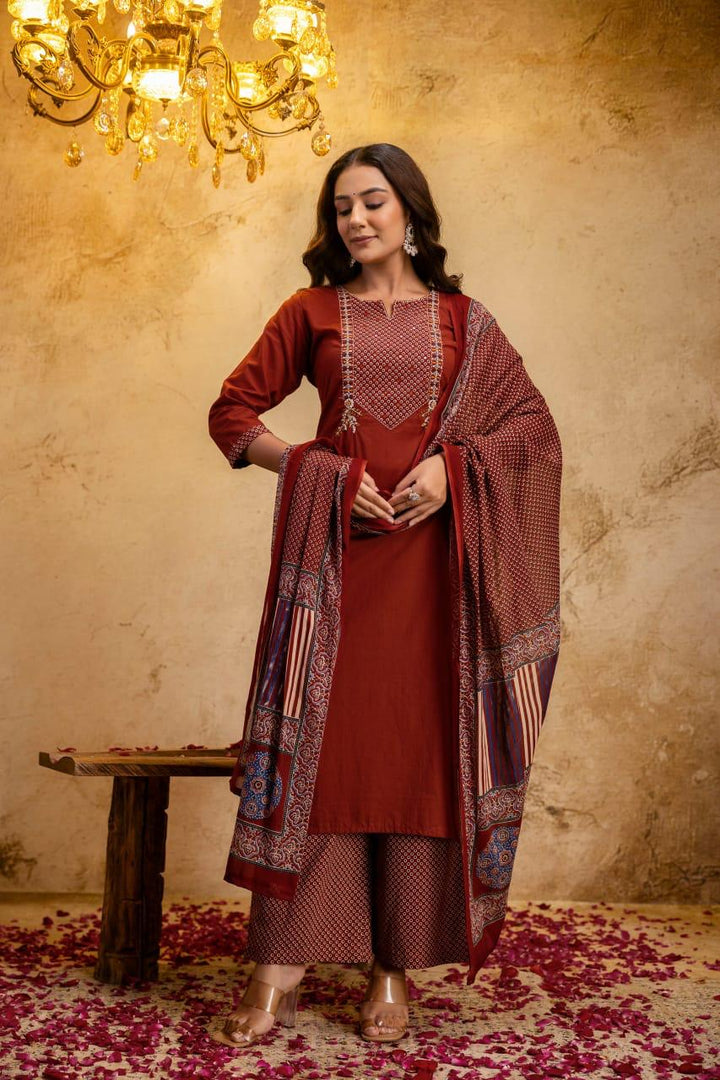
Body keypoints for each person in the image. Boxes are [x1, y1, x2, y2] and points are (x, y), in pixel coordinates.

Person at [207, 143, 562, 1048]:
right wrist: (314, 467)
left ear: (411, 210)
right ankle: (279, 965)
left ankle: (392, 966)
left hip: (435, 581)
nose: (356, 221)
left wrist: (453, 467)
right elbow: (233, 414)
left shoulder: (465, 322)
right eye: (341, 209)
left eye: (373, 203)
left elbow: (532, 430)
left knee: (413, 762)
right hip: (338, 575)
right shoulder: (311, 311)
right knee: (328, 757)